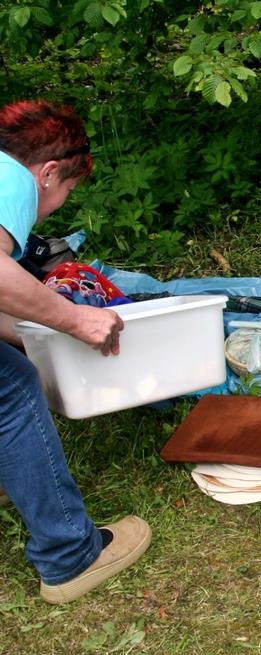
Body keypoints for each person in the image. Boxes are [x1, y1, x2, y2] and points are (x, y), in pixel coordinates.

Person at [0, 99, 151, 603]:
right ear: (47, 172)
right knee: (14, 389)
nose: (62, 200)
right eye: (67, 188)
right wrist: (75, 318)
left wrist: (31, 334)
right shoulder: (11, 178)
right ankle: (71, 557)